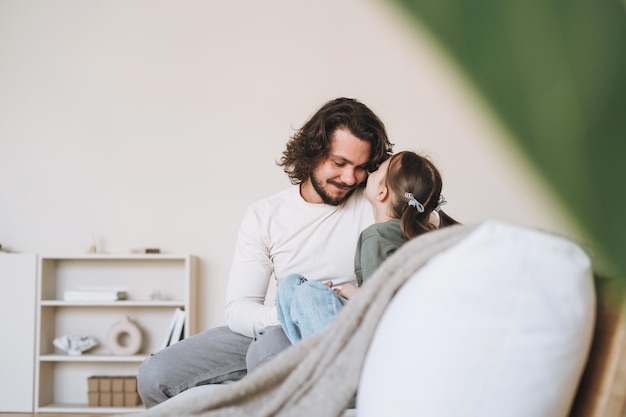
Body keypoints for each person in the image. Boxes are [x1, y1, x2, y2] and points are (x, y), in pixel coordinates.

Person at [136, 97, 393, 408]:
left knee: (267, 351)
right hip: (279, 322)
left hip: (338, 329)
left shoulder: (376, 205)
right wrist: (291, 310)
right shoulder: (265, 215)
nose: (350, 178)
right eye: (339, 163)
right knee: (155, 375)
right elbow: (239, 309)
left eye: (361, 168)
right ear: (313, 151)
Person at [276, 150, 459, 343]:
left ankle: (327, 364)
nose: (370, 173)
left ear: (382, 192)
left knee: (307, 293)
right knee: (291, 285)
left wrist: (348, 291)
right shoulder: (410, 236)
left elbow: (379, 308)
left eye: (378, 170)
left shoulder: (378, 237)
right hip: (387, 327)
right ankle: (315, 359)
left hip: (379, 336)